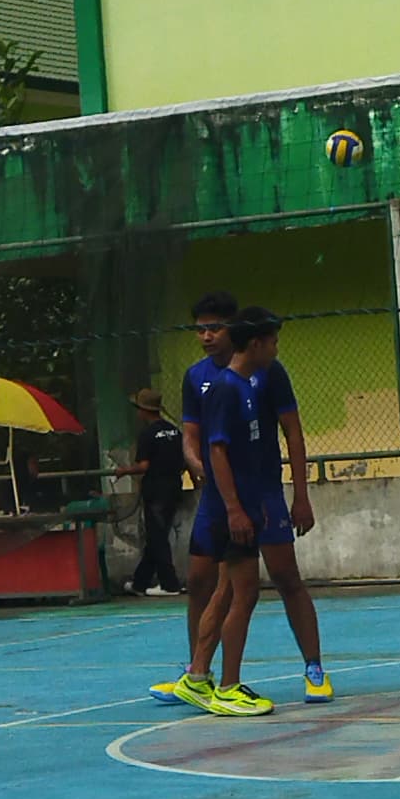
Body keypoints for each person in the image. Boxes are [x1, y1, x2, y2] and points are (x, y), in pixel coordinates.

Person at [196, 308, 334, 710]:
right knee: (240, 593)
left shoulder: (258, 380)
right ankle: (223, 684)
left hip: (263, 501)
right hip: (239, 507)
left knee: (267, 585)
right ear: (255, 343)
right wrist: (233, 509)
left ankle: (307, 669)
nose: (277, 348)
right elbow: (216, 453)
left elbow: (289, 432)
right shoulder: (224, 388)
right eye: (273, 341)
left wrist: (300, 495)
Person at [153, 291, 243, 710]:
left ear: (233, 327)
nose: (206, 336)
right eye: (200, 330)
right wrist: (195, 462)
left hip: (247, 491)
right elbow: (190, 435)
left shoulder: (254, 370)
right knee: (201, 581)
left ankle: (311, 666)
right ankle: (196, 672)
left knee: (262, 581)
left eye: (215, 328)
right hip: (212, 495)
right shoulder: (195, 377)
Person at [122, 382, 185, 595]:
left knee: (158, 537)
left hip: (156, 491)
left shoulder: (147, 434)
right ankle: (140, 582)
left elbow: (143, 466)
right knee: (157, 535)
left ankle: (170, 584)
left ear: (143, 411)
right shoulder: (174, 431)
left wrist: (124, 470)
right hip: (173, 488)